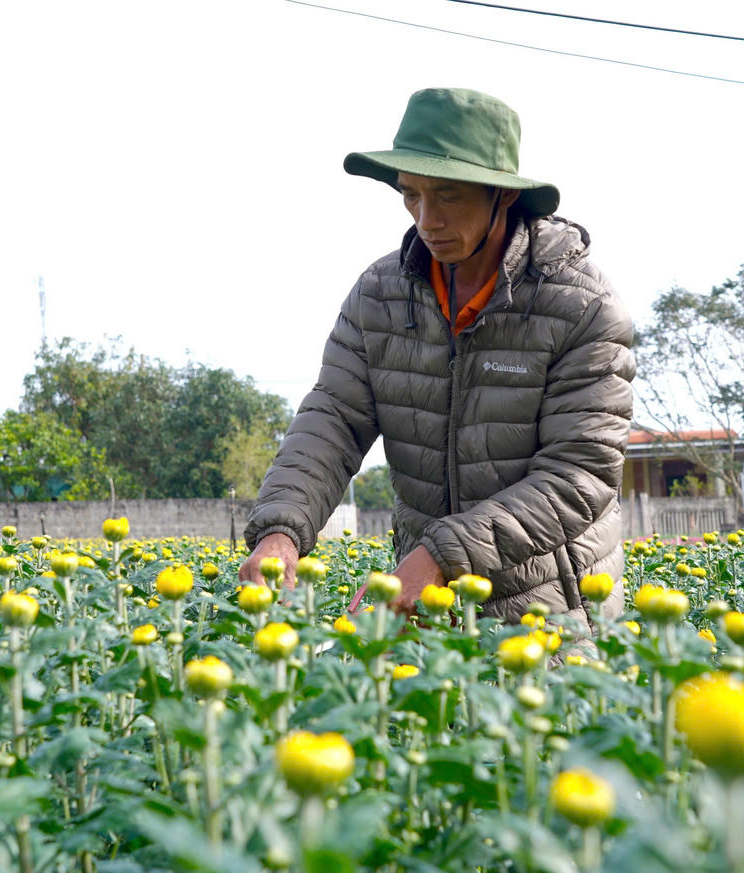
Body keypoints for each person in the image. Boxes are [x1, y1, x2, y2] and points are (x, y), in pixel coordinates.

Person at [237, 87, 634, 630]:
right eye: (411, 195)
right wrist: (281, 529)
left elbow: (579, 474)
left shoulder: (580, 307)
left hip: (552, 610)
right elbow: (333, 418)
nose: (426, 218)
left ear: (503, 196)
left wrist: (441, 556)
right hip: (426, 606)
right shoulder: (380, 295)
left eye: (448, 196)